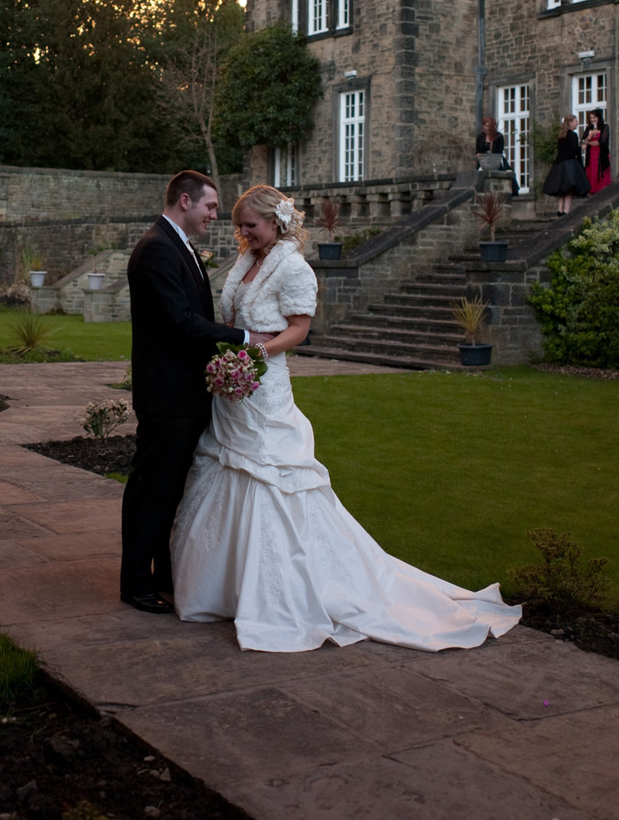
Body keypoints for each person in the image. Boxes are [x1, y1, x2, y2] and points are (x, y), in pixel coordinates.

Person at [171, 184, 522, 653]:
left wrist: (252, 354)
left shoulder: (293, 267)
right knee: (225, 472)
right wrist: (236, 358)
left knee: (275, 481)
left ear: (274, 222)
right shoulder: (244, 264)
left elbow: (299, 330)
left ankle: (285, 591)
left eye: (249, 226)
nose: (243, 233)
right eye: (239, 226)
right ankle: (227, 586)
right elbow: (238, 321)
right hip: (235, 395)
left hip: (265, 389)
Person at [120, 170, 271, 615]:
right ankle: (135, 583)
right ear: (185, 201)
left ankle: (162, 573)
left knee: (171, 490)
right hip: (167, 395)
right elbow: (180, 322)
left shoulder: (177, 246)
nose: (214, 215)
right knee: (152, 488)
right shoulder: (156, 250)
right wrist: (245, 339)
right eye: (210, 206)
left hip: (185, 393)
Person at [543, 114, 591, 214]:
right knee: (570, 188)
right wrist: (582, 148)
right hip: (569, 163)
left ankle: (560, 209)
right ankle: (566, 210)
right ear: (570, 122)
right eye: (576, 121)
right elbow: (574, 150)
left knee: (562, 188)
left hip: (559, 163)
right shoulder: (573, 135)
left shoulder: (561, 135)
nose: (577, 123)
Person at [476, 115, 520, 195]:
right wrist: (479, 155)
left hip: (496, 159)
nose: (485, 128)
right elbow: (478, 151)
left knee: (505, 172)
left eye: (488, 126)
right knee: (479, 174)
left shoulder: (499, 137)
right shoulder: (480, 137)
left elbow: (499, 151)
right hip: (483, 160)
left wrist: (492, 153)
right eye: (484, 125)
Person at [582, 109, 612, 194]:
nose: (592, 119)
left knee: (601, 177)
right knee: (592, 176)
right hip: (591, 156)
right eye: (591, 118)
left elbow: (602, 142)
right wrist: (590, 136)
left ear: (598, 118)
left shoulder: (605, 127)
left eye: (594, 117)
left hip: (601, 156)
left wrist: (589, 143)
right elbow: (583, 142)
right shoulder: (589, 128)